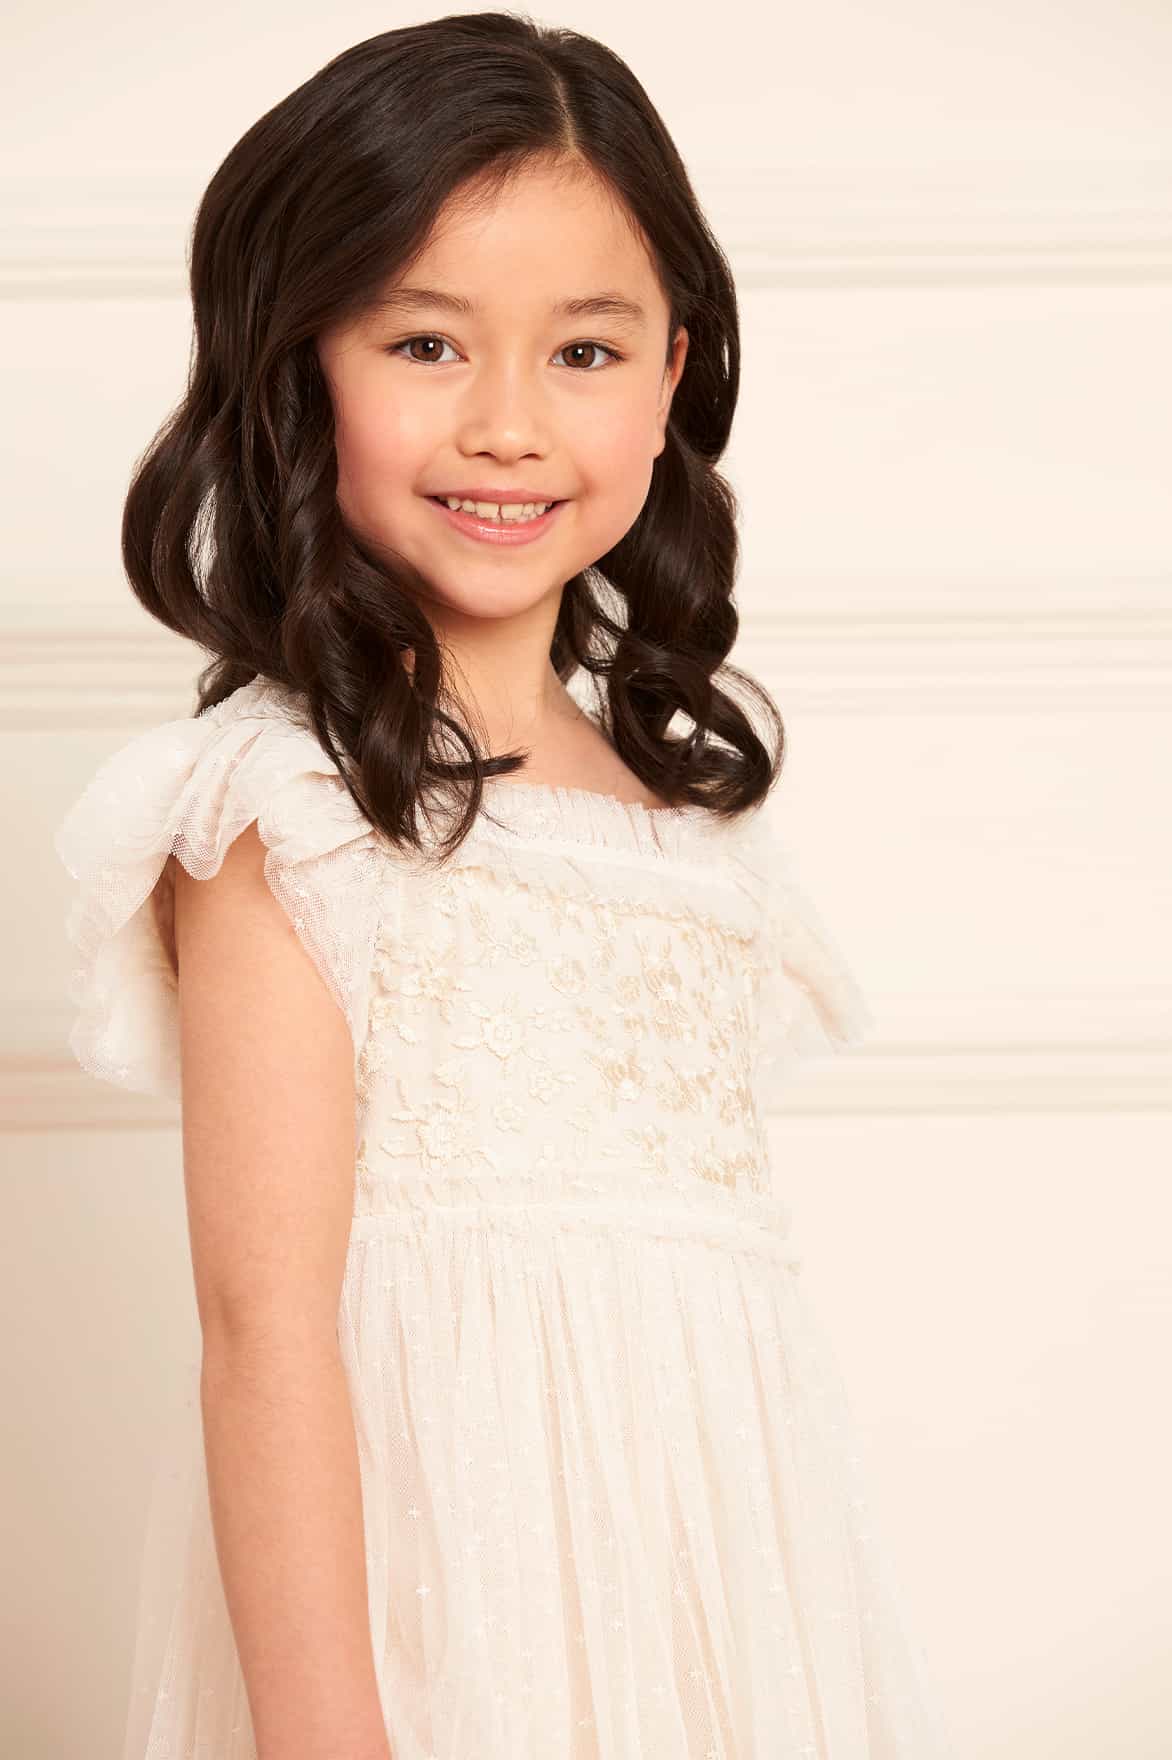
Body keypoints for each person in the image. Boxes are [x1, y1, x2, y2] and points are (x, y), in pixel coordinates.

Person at [54, 13, 951, 1759]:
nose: (510, 424)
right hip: (447, 1621)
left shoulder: (689, 830)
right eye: (425, 343)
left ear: (674, 373)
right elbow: (263, 1332)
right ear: (301, 366)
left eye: (585, 351)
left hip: (714, 1611)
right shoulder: (288, 810)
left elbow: (709, 1329)